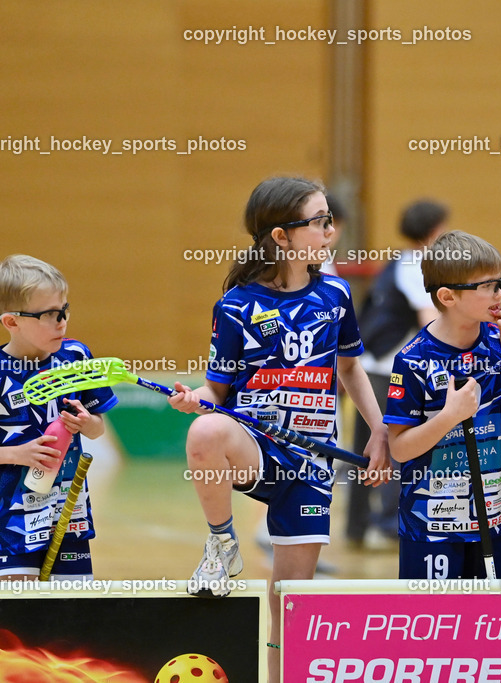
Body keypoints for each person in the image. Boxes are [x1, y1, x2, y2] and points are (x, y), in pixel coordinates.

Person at [167, 177, 389, 674]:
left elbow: (350, 367)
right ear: (282, 237)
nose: (330, 231)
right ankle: (222, 542)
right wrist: (194, 399)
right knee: (204, 433)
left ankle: (279, 674)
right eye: (319, 222)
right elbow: (217, 393)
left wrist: (378, 431)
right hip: (255, 446)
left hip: (310, 459)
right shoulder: (237, 306)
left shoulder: (335, 293)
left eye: (330, 219)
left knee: (291, 595)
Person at [0, 255, 118, 580]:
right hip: (14, 521)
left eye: (64, 309)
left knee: (72, 619)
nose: (61, 321)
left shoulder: (77, 357)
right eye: (49, 315)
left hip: (69, 512)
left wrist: (86, 423)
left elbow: (97, 428)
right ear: (11, 322)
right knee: (21, 623)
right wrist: (18, 454)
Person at [385, 230, 501, 579]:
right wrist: (450, 416)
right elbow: (401, 448)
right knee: (436, 627)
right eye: (486, 286)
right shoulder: (413, 359)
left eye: (500, 282)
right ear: (448, 296)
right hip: (430, 526)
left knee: (493, 626)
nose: (498, 293)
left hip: (492, 520)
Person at [346, 199, 446, 549]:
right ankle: (386, 525)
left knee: (370, 447)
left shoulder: (399, 263)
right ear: (434, 231)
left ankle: (359, 527)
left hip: (374, 366)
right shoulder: (418, 266)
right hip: (388, 371)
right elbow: (429, 321)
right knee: (390, 447)